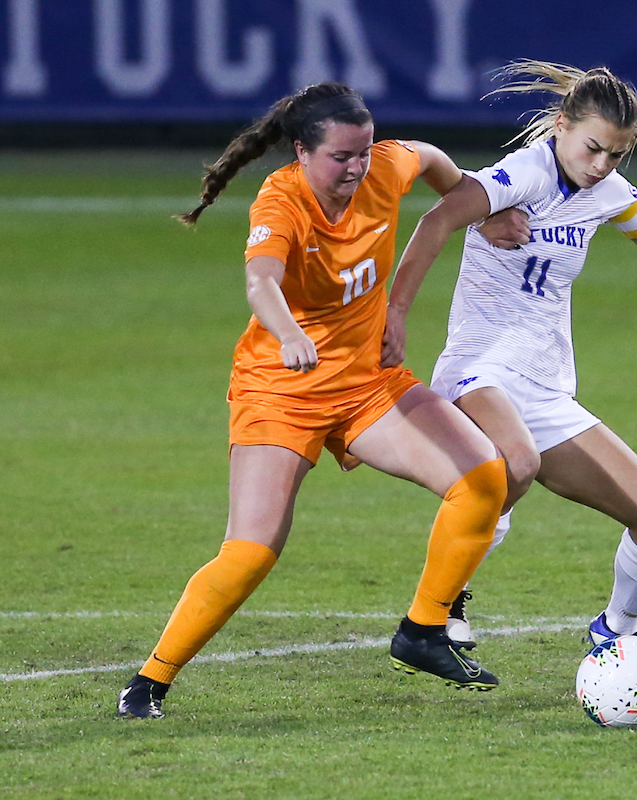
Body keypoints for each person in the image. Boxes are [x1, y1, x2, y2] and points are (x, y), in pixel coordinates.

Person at [117, 82, 510, 719]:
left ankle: (422, 630)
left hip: (366, 384)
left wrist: (478, 205)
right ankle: (149, 682)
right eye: (341, 157)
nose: (357, 167)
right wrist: (290, 331)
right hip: (281, 390)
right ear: (301, 151)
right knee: (252, 549)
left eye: (363, 151)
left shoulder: (383, 167)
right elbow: (260, 280)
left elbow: (434, 159)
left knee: (484, 476)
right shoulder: (282, 201)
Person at [382, 60, 637, 649]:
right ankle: (440, 603)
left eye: (616, 154)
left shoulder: (608, 193)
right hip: (478, 369)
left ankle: (616, 633)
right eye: (593, 149)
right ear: (560, 125)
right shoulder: (522, 174)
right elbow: (438, 219)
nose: (602, 164)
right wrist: (397, 313)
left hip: (544, 384)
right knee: (517, 460)